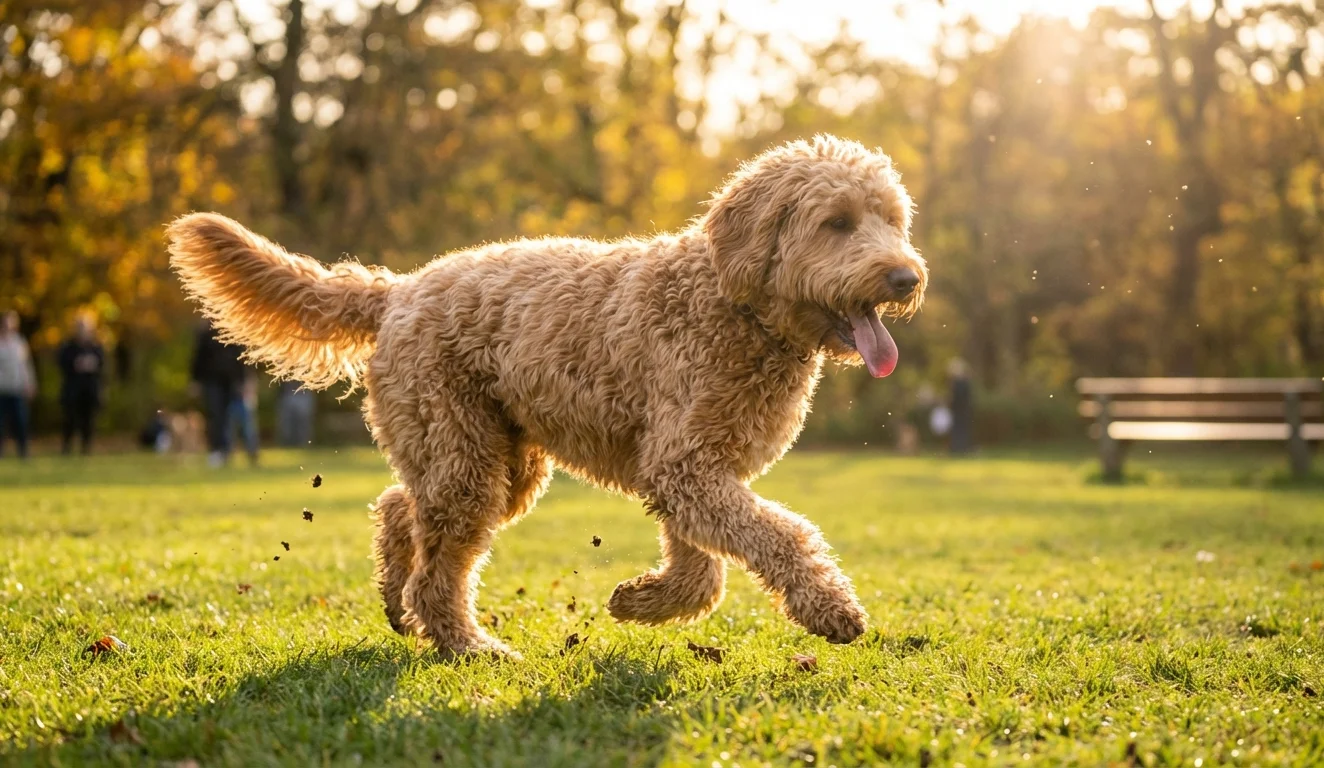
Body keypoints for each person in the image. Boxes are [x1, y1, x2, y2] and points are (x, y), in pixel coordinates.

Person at [191, 318, 259, 467]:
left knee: (236, 417)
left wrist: (243, 381)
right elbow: (198, 358)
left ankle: (244, 451)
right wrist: (195, 380)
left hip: (233, 383)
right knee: (216, 416)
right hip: (212, 382)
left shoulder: (233, 332)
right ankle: (218, 450)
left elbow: (241, 359)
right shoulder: (206, 334)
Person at [57, 315, 105, 455]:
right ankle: (67, 447)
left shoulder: (95, 346)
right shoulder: (69, 347)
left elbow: (102, 365)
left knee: (88, 420)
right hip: (72, 390)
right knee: (70, 419)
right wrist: (75, 364)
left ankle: (86, 448)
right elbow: (62, 364)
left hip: (89, 389)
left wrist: (92, 364)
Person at [0, 311, 36, 458]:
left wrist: (30, 383)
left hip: (17, 388)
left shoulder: (19, 342)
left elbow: (25, 365)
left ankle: (23, 452)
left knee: (21, 422)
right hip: (2, 389)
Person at [947, 357, 975, 455]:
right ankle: (958, 448)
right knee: (958, 429)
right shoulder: (958, 382)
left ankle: (961, 448)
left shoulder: (961, 382)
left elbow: (959, 398)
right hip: (959, 411)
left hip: (962, 411)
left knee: (961, 429)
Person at [277, 380, 316, 447]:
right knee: (287, 424)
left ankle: (303, 444)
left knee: (303, 424)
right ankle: (288, 444)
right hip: (288, 394)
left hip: (303, 395)